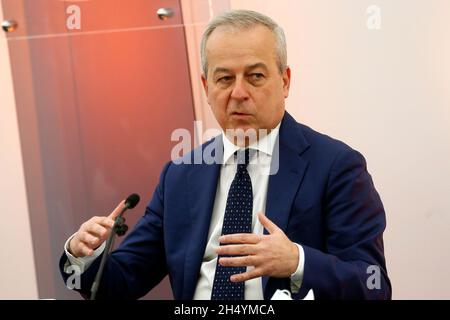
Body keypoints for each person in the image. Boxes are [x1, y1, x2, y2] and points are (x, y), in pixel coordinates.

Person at [60, 9, 391, 300]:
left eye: (255, 76)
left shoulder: (336, 166)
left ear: (285, 81)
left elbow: (373, 286)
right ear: (206, 87)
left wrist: (297, 261)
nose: (238, 93)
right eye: (224, 78)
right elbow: (120, 283)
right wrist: (84, 256)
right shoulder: (181, 175)